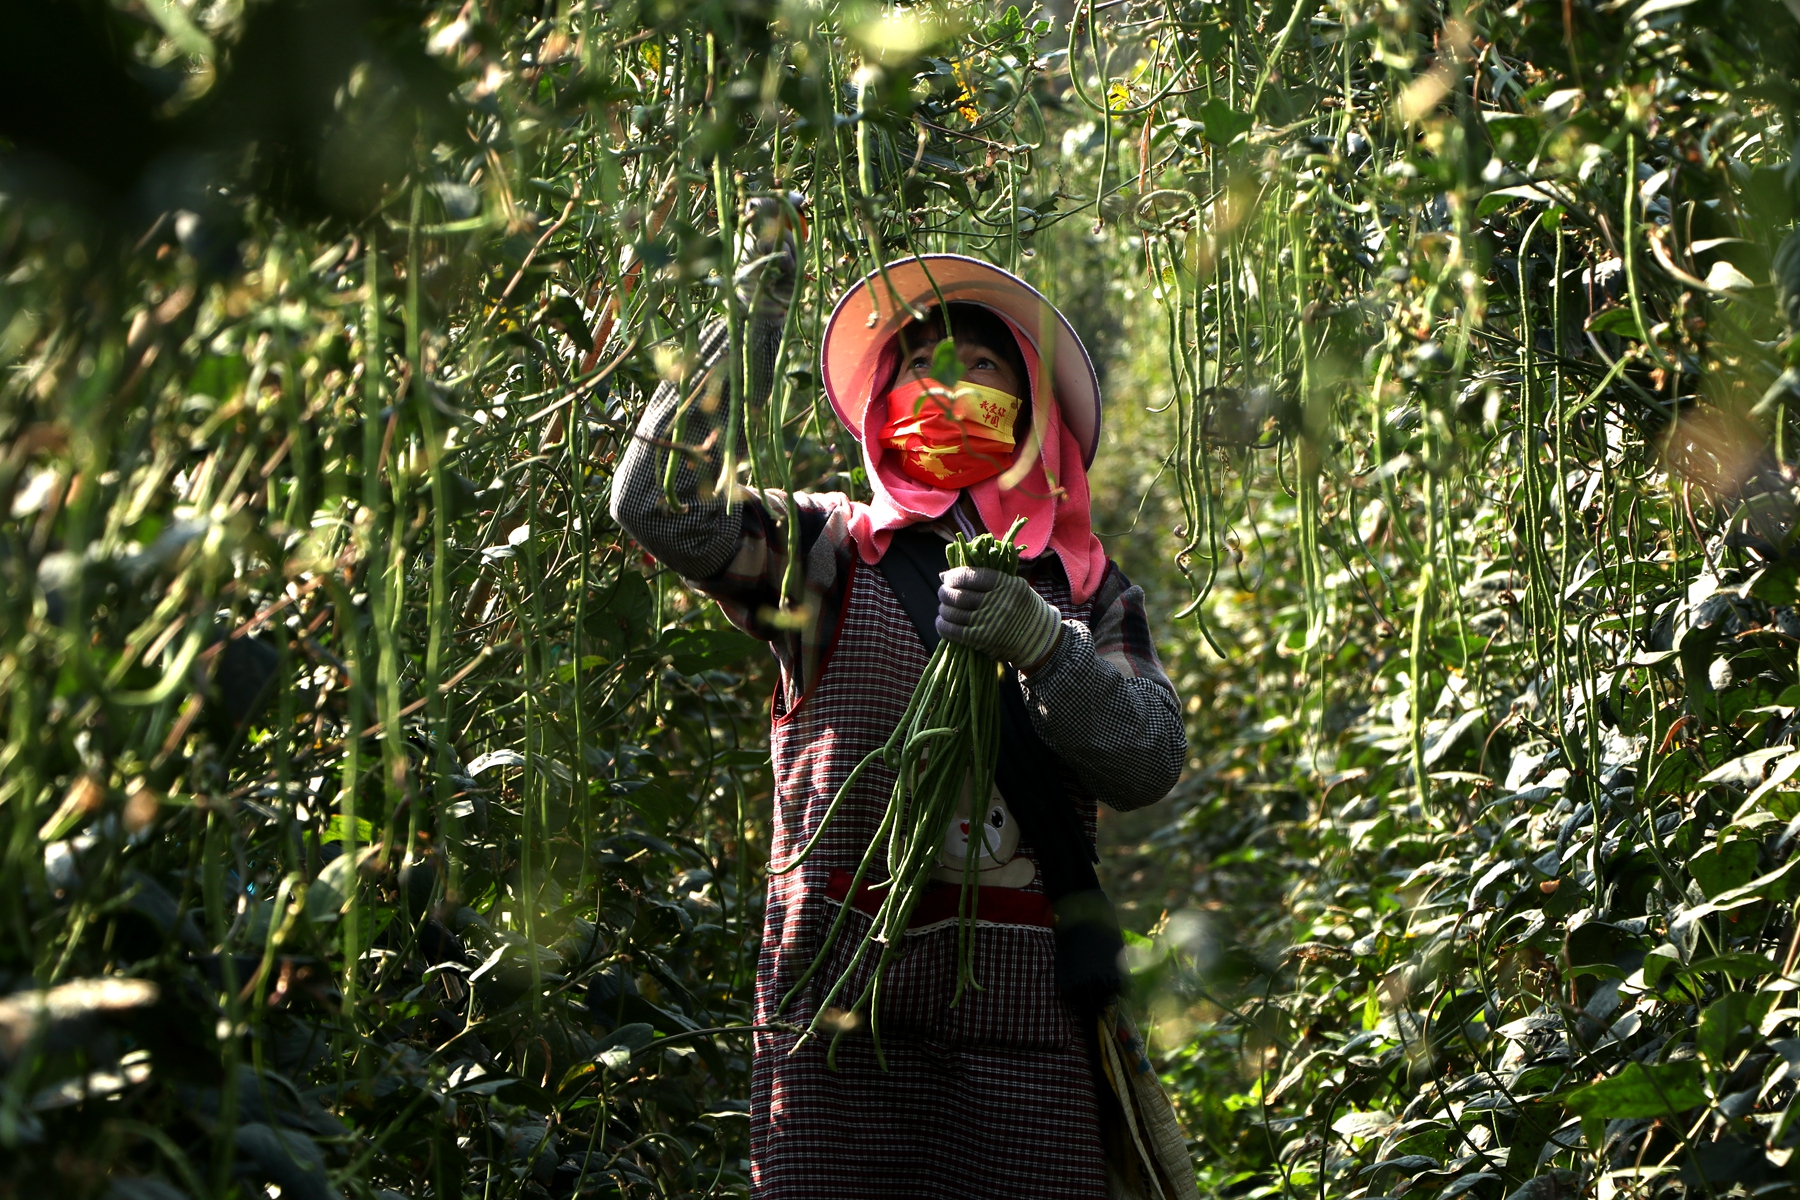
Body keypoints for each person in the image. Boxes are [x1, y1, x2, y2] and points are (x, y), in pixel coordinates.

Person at [610, 209, 1194, 1200]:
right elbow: (656, 507)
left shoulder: (1090, 590)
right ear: (883, 403)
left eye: (979, 362)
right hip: (838, 1036)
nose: (946, 384)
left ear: (1034, 405)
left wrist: (1044, 645)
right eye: (919, 364)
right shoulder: (827, 553)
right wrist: (747, 327)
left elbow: (1145, 760)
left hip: (1030, 1046)